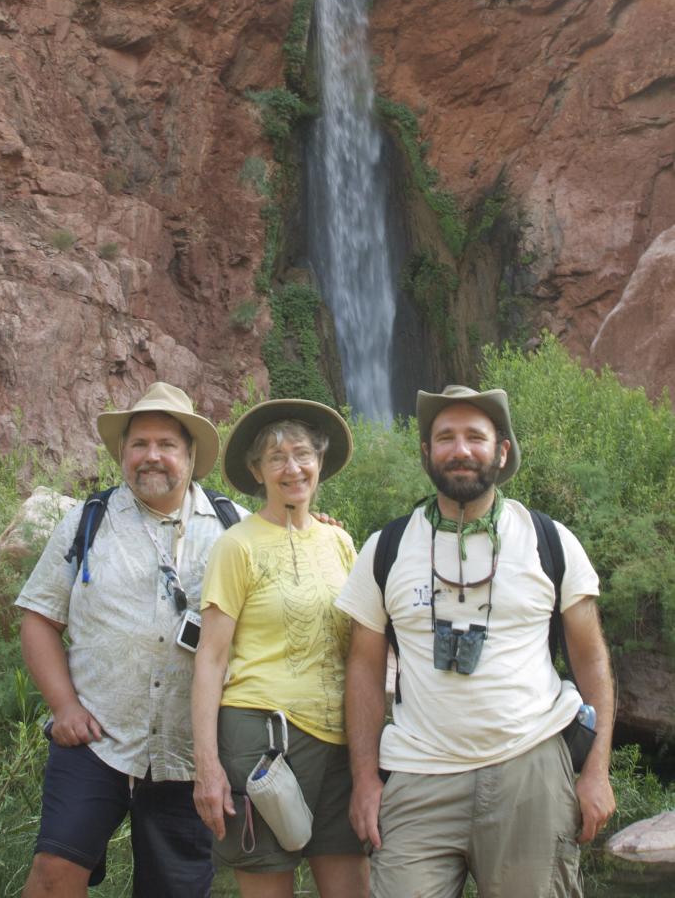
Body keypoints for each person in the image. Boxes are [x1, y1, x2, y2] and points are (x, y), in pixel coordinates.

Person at [336, 384, 616, 898]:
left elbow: (590, 656)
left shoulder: (548, 540)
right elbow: (363, 669)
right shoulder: (387, 548)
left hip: (529, 766)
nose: (460, 450)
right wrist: (364, 781)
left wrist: (596, 770)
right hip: (418, 772)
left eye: (475, 437)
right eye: (444, 437)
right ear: (425, 453)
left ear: (501, 450)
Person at [16, 381, 248, 898]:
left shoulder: (237, 530)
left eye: (167, 445)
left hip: (189, 753)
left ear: (191, 456)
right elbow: (39, 619)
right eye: (139, 444)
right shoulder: (86, 521)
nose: (152, 457)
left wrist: (314, 526)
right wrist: (64, 707)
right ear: (123, 453)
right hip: (97, 741)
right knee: (54, 876)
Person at [192, 399, 369, 898]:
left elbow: (361, 644)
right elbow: (210, 657)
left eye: (302, 454)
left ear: (320, 462)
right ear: (256, 471)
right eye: (276, 458)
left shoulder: (340, 542)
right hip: (262, 742)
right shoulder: (236, 545)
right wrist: (207, 766)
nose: (292, 468)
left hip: (339, 744)